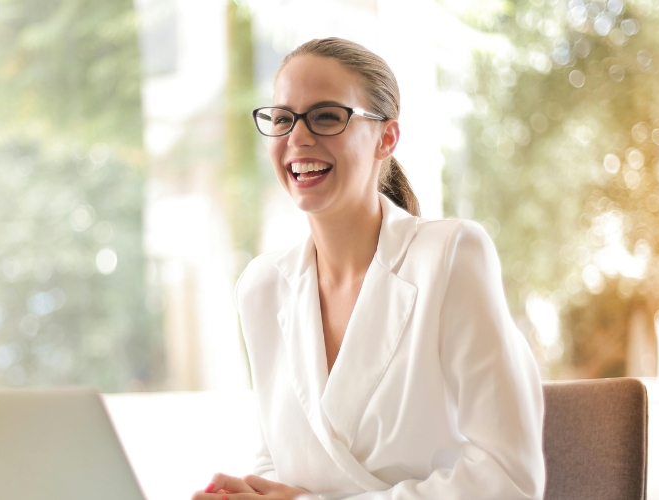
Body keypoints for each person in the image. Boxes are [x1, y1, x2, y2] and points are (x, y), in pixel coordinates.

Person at [191, 38, 544, 500]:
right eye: (282, 119)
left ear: (386, 138)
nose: (298, 137)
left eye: (326, 116)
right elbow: (278, 457)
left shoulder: (451, 256)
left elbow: (509, 480)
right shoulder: (263, 287)